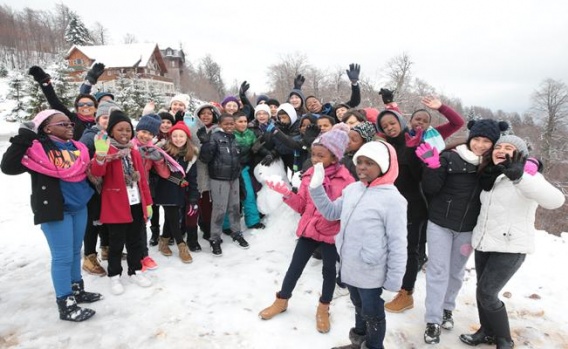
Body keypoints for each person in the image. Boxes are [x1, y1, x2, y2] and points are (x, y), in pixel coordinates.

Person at [459, 135, 565, 349]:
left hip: (510, 246)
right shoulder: (492, 174)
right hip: (485, 243)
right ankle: (486, 332)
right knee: (482, 290)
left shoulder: (527, 175)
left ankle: (504, 339)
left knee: (488, 293)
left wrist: (521, 178)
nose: (501, 150)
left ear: (519, 155)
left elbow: (556, 201)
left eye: (509, 147)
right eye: (498, 146)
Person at [1, 110, 100, 321]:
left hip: (79, 207)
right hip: (55, 210)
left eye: (70, 123)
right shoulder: (37, 151)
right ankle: (65, 303)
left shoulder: (79, 148)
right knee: (62, 257)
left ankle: (76, 290)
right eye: (63, 124)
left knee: (75, 252)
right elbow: (8, 167)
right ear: (47, 128)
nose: (70, 127)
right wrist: (24, 136)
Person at [417, 119, 508, 344]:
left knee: (456, 273)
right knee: (438, 271)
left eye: (486, 141)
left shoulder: (494, 166)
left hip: (468, 229)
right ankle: (433, 320)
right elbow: (430, 189)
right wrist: (432, 167)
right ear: (469, 138)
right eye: (476, 138)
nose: (479, 144)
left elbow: (522, 164)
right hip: (439, 224)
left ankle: (448, 308)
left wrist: (535, 165)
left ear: (494, 143)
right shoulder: (451, 157)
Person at [310, 141, 408, 349]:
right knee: (358, 307)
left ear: (383, 166)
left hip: (372, 271)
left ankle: (373, 346)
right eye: (359, 162)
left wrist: (394, 282)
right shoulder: (353, 189)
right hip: (350, 266)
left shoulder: (393, 200)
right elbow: (330, 212)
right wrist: (316, 188)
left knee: (373, 314)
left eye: (369, 163)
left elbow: (398, 243)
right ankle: (359, 341)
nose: (362, 167)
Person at [258, 124, 354, 334]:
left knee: (329, 272)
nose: (315, 159)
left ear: (335, 157)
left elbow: (342, 211)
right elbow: (302, 206)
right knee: (295, 266)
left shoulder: (346, 180)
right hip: (310, 230)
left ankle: (323, 307)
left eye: (321, 155)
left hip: (330, 234)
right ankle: (282, 300)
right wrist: (286, 193)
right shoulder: (309, 174)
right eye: (313, 154)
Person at [90, 110, 153, 295]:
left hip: (135, 203)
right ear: (111, 131)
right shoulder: (106, 150)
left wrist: (148, 203)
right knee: (116, 244)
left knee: (136, 241)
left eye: (128, 130)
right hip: (116, 206)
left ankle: (135, 270)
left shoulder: (133, 152)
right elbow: (97, 172)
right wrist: (100, 154)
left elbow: (142, 181)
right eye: (120, 129)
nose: (125, 133)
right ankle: (114, 276)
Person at [376, 108, 428, 313]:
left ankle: (407, 293)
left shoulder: (414, 142)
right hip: (393, 206)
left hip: (414, 205)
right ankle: (394, 283)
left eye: (392, 123)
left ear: (400, 121)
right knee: (393, 247)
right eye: (385, 126)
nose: (390, 127)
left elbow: (419, 177)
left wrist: (414, 152)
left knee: (410, 250)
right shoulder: (386, 147)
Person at [79, 100, 121, 275]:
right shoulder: (91, 136)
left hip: (107, 187)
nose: (108, 120)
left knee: (105, 220)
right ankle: (89, 257)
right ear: (97, 119)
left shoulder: (114, 136)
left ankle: (106, 248)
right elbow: (80, 159)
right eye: (104, 117)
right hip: (92, 188)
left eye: (111, 117)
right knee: (93, 223)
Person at [198, 113, 249, 256]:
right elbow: (204, 158)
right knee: (219, 209)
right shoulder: (214, 138)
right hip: (219, 179)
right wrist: (206, 144)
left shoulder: (234, 139)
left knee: (235, 207)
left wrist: (240, 178)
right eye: (226, 124)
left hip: (234, 178)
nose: (229, 126)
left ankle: (236, 232)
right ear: (220, 124)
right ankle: (214, 238)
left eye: (231, 124)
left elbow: (238, 159)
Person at [153, 121, 197, 263]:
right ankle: (181, 245)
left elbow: (192, 177)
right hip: (165, 189)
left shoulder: (191, 155)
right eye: (175, 136)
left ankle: (164, 240)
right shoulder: (164, 151)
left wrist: (193, 197)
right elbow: (158, 170)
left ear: (187, 138)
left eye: (181, 136)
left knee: (170, 217)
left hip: (180, 191)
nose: (178, 139)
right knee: (173, 216)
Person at [28, 66, 98, 140]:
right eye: (81, 104)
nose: (85, 106)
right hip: (77, 151)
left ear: (96, 108)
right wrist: (45, 82)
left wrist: (89, 83)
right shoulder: (72, 119)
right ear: (77, 108)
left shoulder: (102, 121)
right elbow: (54, 102)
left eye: (89, 104)